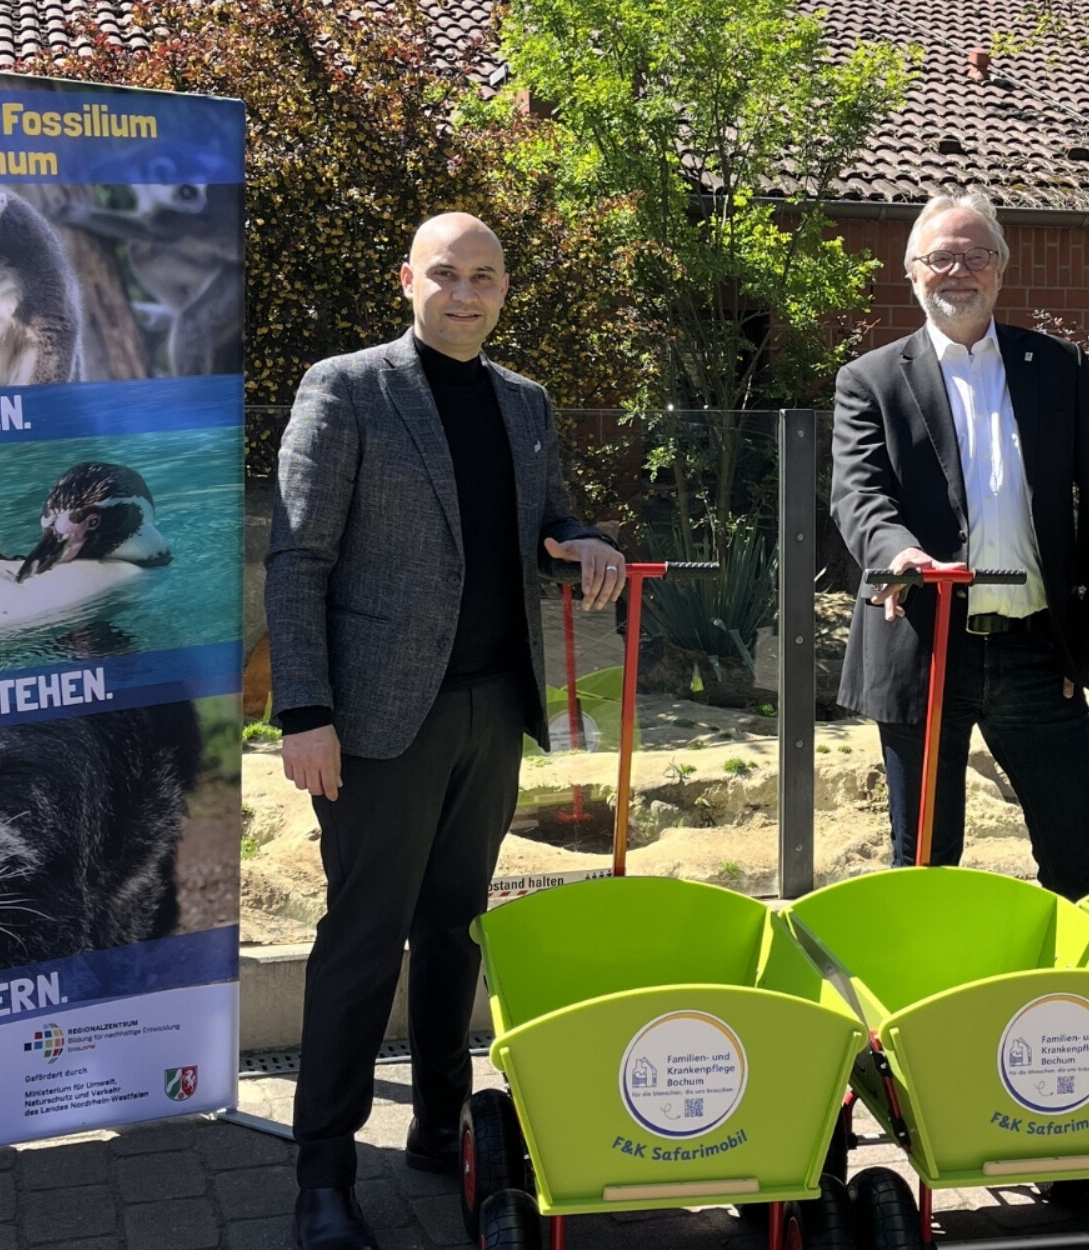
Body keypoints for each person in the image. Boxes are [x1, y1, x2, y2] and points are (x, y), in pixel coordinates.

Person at [266, 212, 625, 1250]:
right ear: (407, 281)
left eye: (485, 277)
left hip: (489, 708)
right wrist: (306, 712)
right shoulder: (348, 387)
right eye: (446, 275)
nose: (465, 294)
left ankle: (435, 1125)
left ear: (507, 287)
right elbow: (298, 560)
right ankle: (322, 1178)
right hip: (378, 719)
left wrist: (588, 544)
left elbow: (550, 520)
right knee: (362, 939)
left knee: (457, 927)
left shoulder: (525, 402)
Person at [830, 191, 1089, 899]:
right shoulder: (869, 381)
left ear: (1000, 270)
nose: (957, 271)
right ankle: (931, 1006)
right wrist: (898, 552)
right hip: (925, 645)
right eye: (940, 257)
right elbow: (859, 495)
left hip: (1039, 649)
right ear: (911, 272)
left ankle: (1074, 1004)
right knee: (926, 869)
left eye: (975, 256)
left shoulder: (1059, 367)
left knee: (1079, 862)